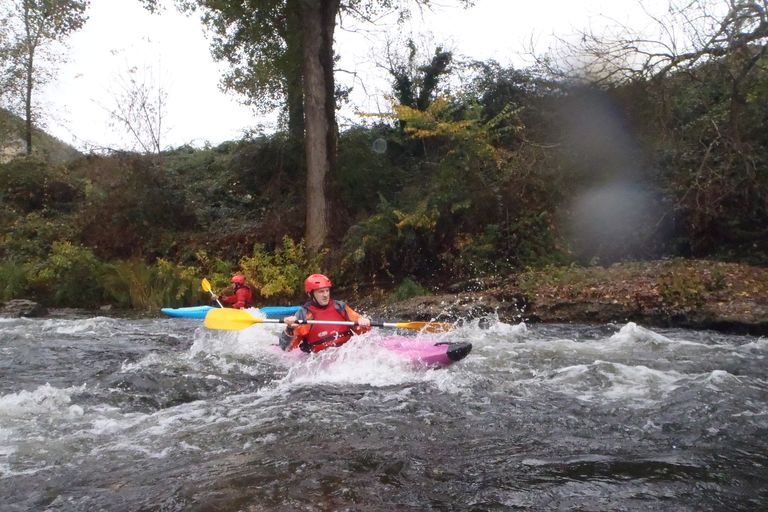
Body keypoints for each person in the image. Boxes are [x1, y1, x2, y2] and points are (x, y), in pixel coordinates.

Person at [279, 273, 371, 353]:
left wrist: (364, 323)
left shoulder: (339, 307)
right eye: (321, 292)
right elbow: (286, 348)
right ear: (310, 294)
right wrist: (289, 329)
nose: (325, 295)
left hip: (347, 354)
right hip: (320, 360)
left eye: (327, 290)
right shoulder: (304, 314)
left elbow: (362, 330)